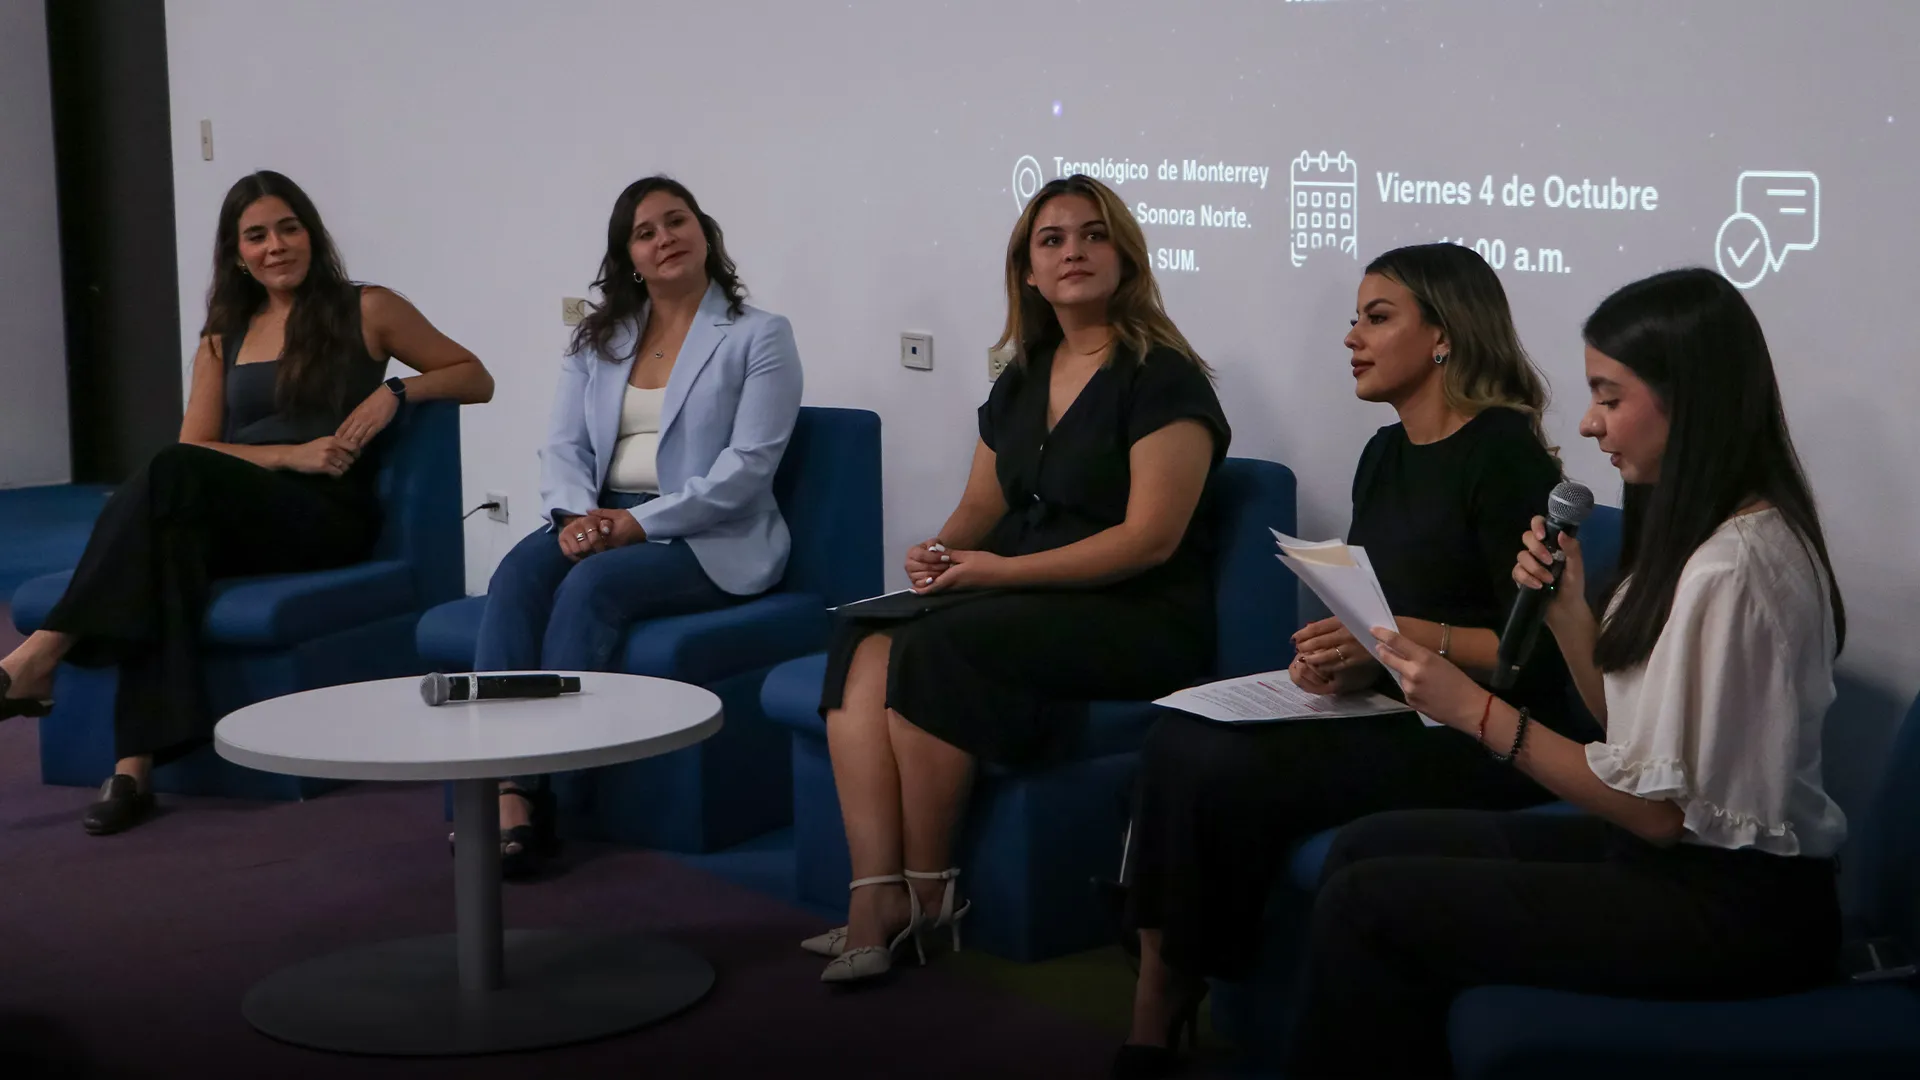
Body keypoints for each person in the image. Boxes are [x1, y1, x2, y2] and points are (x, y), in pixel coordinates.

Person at [1286, 267, 1849, 1078]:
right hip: (1668, 865)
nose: (1587, 424)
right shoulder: (1698, 530)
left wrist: (1474, 711)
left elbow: (1658, 814)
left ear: (1688, 399)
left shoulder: (1736, 569)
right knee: (1367, 849)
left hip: (1732, 911)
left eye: (1610, 398)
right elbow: (1629, 731)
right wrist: (1567, 612)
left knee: (1369, 905)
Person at [1118, 243, 1580, 1077]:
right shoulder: (1384, 453)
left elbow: (1530, 650)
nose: (1351, 337)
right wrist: (1343, 655)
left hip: (1488, 729)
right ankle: (1163, 985)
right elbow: (1377, 615)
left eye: (1377, 317)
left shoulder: (1502, 451)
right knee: (1177, 733)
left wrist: (1391, 639)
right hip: (1399, 704)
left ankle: (1177, 988)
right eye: (1354, 318)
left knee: (1226, 770)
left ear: (1444, 336)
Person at [801, 173, 1230, 986]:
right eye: (1053, 239)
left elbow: (1148, 541)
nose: (1075, 251)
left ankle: (931, 897)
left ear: (1126, 256)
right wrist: (940, 553)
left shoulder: (1163, 376)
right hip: (1028, 591)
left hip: (1137, 611)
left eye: (1094, 234)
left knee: (941, 647)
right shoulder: (1025, 374)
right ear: (1029, 273)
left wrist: (997, 569)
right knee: (861, 632)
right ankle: (874, 899)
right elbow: (978, 507)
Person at [0, 170, 494, 835]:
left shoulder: (367, 308)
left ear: (311, 235)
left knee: (165, 489)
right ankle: (133, 768)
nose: (276, 246)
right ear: (237, 254)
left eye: (288, 228)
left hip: (324, 517)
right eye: (256, 236)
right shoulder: (222, 336)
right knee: (163, 543)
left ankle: (40, 657)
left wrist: (396, 393)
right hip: (251, 503)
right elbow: (196, 448)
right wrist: (288, 454)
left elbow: (475, 375)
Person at [467, 176, 802, 878]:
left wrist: (635, 526)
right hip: (598, 515)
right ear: (631, 257)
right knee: (520, 573)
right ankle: (504, 788)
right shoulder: (599, 339)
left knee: (592, 590)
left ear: (704, 232)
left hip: (708, 532)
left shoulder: (758, 335)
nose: (664, 238)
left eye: (676, 221)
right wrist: (570, 517)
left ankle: (551, 789)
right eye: (645, 232)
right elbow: (563, 446)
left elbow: (748, 470)